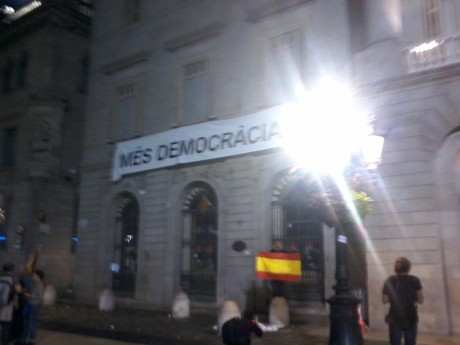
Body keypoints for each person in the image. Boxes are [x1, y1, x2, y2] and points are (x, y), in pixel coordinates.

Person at [382, 257, 424, 345]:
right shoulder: (415, 280)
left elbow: (384, 300)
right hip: (410, 316)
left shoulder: (390, 280)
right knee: (410, 342)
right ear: (408, 267)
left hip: (395, 316)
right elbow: (421, 300)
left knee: (395, 342)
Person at [21, 269, 45, 345]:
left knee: (31, 323)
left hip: (34, 305)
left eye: (34, 275)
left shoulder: (40, 285)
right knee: (29, 322)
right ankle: (30, 339)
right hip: (30, 304)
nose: (33, 277)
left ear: (38, 276)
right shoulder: (34, 283)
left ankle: (31, 340)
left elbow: (40, 297)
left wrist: (30, 296)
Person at [0, 262, 16, 345]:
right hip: (6, 307)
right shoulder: (11, 281)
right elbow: (5, 296)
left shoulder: (1, 278)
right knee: (6, 326)